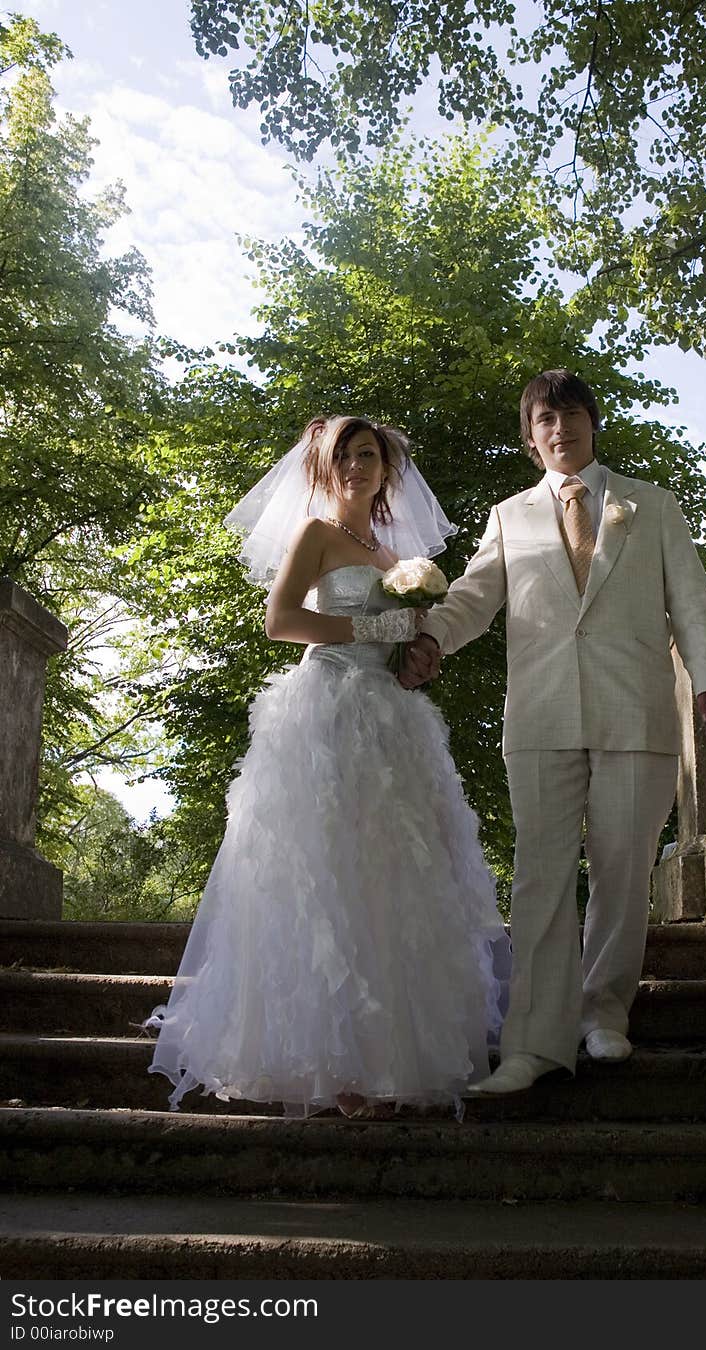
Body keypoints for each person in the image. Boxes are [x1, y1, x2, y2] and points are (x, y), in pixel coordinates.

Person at [147, 414, 505, 1118]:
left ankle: (388, 1060)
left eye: (368, 455)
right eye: (343, 456)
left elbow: (402, 636)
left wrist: (413, 653)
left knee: (394, 880)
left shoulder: (392, 559)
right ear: (323, 468)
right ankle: (334, 1068)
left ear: (386, 469)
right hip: (326, 715)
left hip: (392, 723)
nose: (356, 466)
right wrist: (376, 629)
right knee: (329, 876)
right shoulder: (314, 535)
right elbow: (280, 621)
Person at [402, 370, 706, 1094]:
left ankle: (603, 1014)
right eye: (545, 422)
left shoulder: (655, 506)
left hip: (637, 712)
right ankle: (532, 1044)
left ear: (592, 423)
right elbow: (469, 602)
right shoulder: (508, 517)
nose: (561, 430)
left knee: (621, 872)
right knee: (540, 878)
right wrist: (425, 640)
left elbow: (694, 603)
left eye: (571, 415)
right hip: (541, 716)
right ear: (531, 440)